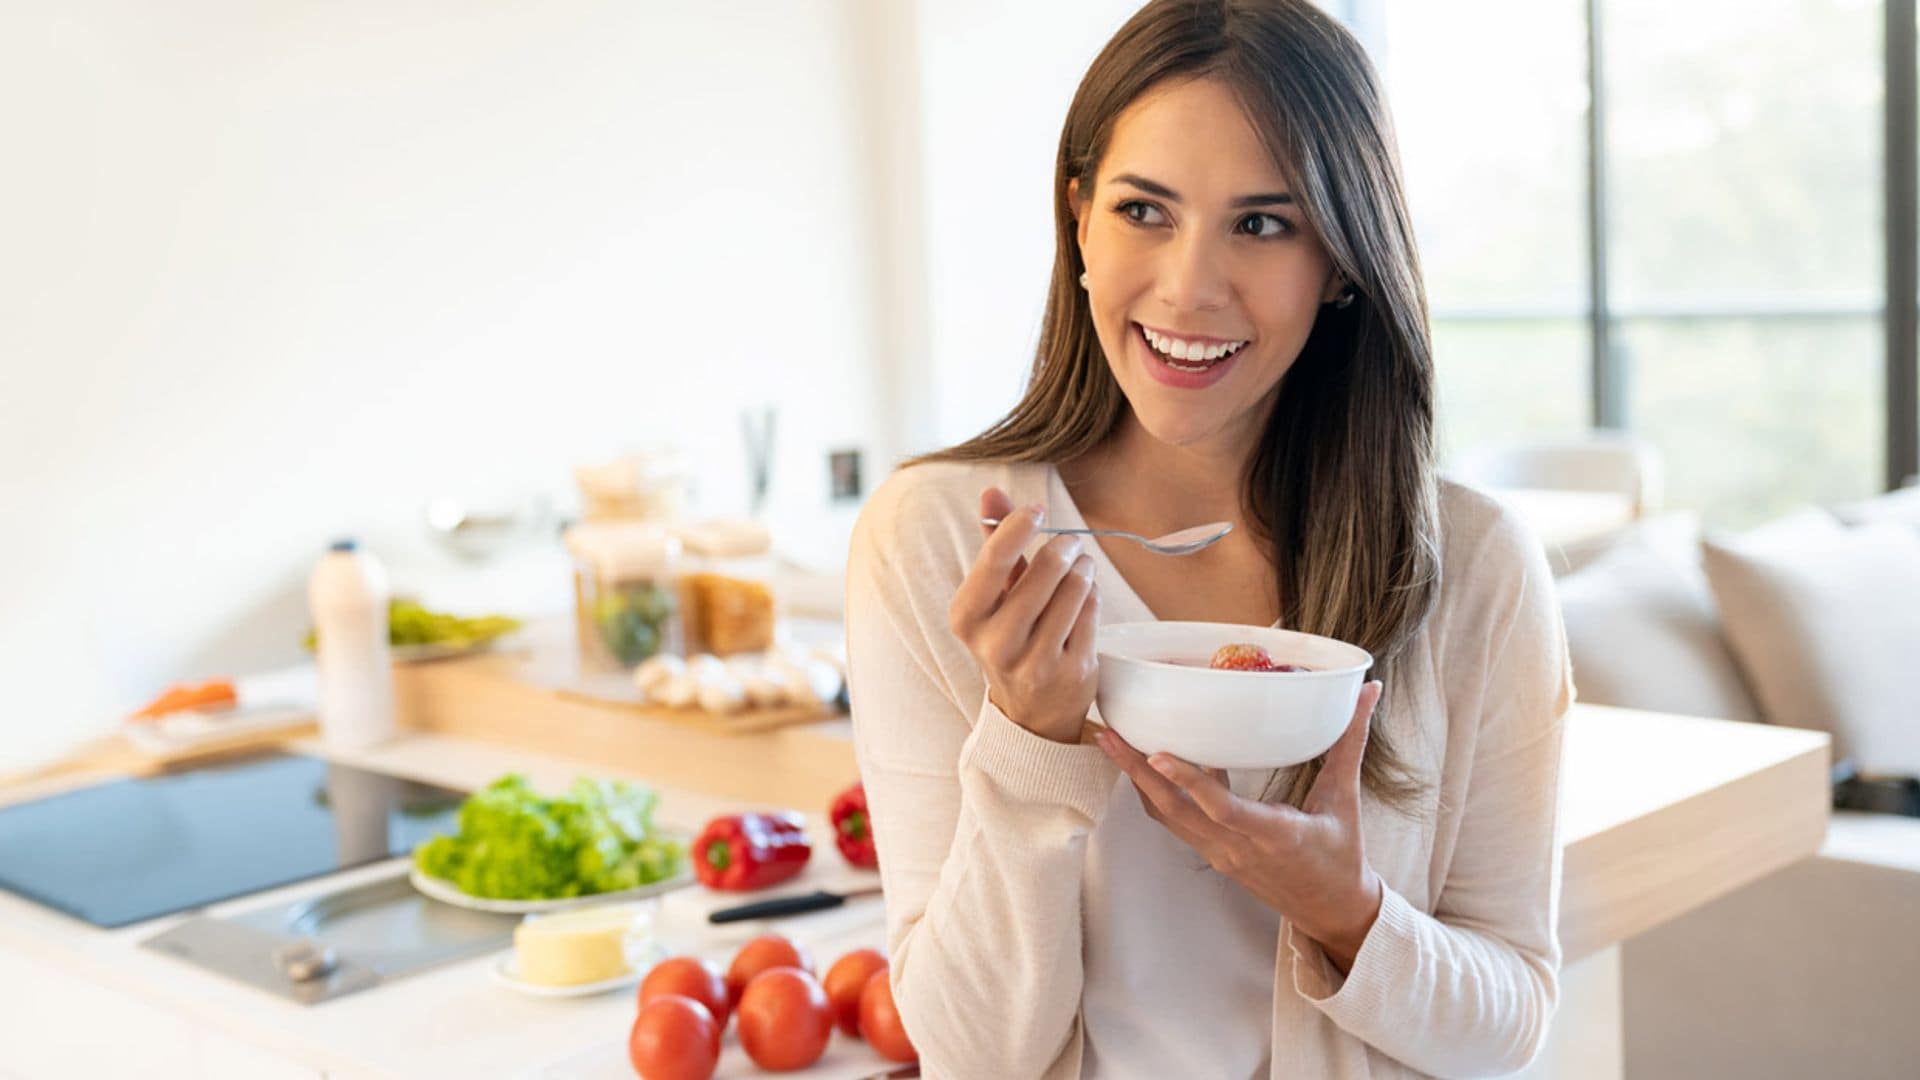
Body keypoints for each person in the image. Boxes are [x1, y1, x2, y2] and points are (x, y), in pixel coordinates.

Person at [844, 1, 1575, 1076]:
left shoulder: (1472, 564)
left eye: (1263, 223)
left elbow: (1509, 1020)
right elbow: (971, 1053)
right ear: (1079, 217)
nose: (1189, 286)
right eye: (1146, 210)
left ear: (1340, 262)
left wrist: (1347, 914)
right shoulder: (937, 540)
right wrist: (1029, 745)